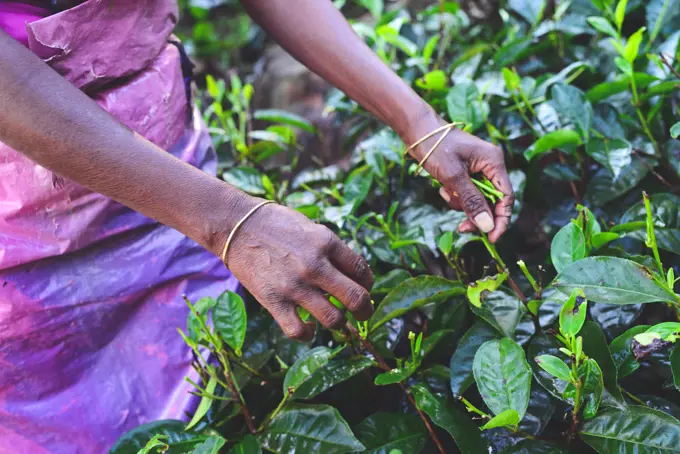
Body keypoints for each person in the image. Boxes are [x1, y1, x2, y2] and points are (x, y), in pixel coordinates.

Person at [0, 0, 514, 452]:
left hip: (174, 180)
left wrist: (418, 122)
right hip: (26, 253)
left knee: (208, 404)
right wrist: (229, 224)